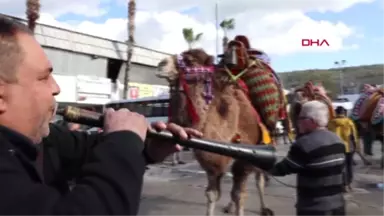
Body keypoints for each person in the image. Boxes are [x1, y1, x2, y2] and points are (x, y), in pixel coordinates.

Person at [0, 16, 202, 216]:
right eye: (43, 77)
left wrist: (145, 147)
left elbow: (87, 149)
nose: (56, 88)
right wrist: (124, 141)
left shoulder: (41, 139)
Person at [269, 101, 346, 216]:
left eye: (300, 118)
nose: (298, 122)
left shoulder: (304, 144)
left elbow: (281, 169)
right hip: (338, 206)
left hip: (313, 209)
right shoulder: (338, 141)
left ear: (311, 121)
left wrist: (258, 163)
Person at [328, 106, 360, 192]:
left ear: (336, 113)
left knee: (341, 167)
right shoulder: (349, 122)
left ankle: (343, 185)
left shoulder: (332, 123)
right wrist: (357, 147)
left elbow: (329, 136)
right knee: (349, 166)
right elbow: (354, 136)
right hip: (349, 147)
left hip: (337, 148)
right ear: (344, 113)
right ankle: (349, 184)